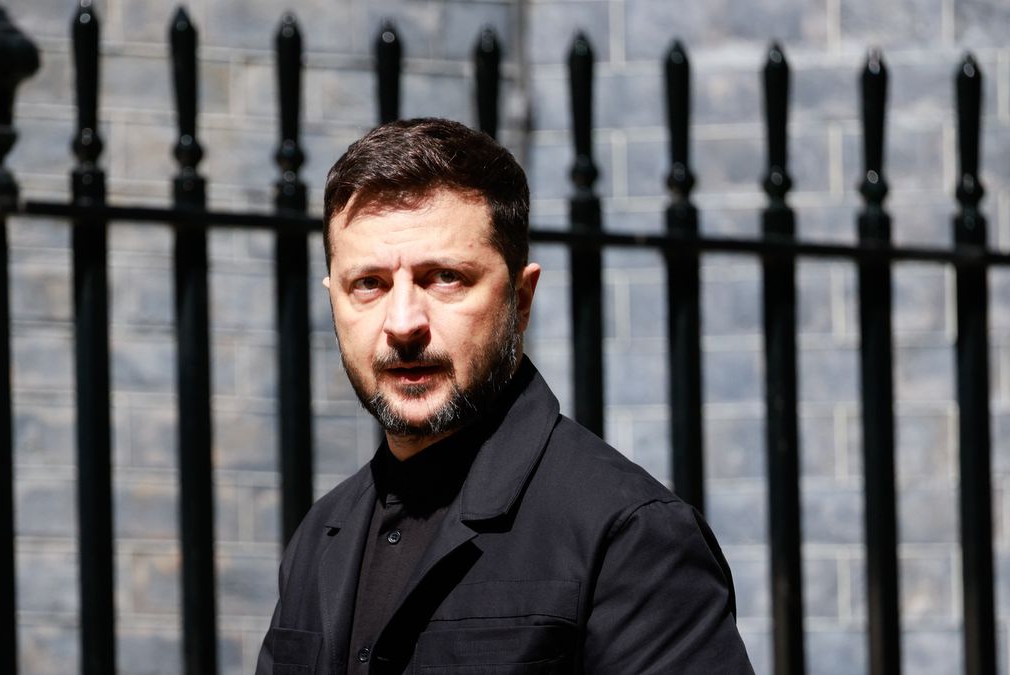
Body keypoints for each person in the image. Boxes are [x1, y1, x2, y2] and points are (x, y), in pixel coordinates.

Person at [256, 118, 753, 673]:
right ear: (334, 299)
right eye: (368, 284)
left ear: (521, 298)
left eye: (444, 277)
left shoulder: (628, 534)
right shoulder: (321, 536)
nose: (402, 323)